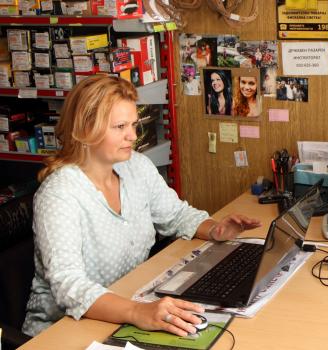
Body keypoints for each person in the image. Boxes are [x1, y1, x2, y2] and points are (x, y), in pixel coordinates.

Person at [22, 75, 261, 338]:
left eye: (134, 124)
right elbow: (69, 286)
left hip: (127, 306)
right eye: (120, 126)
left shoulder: (135, 165)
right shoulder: (59, 194)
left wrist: (216, 230)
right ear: (84, 128)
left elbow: (177, 214)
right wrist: (137, 312)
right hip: (62, 331)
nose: (133, 135)